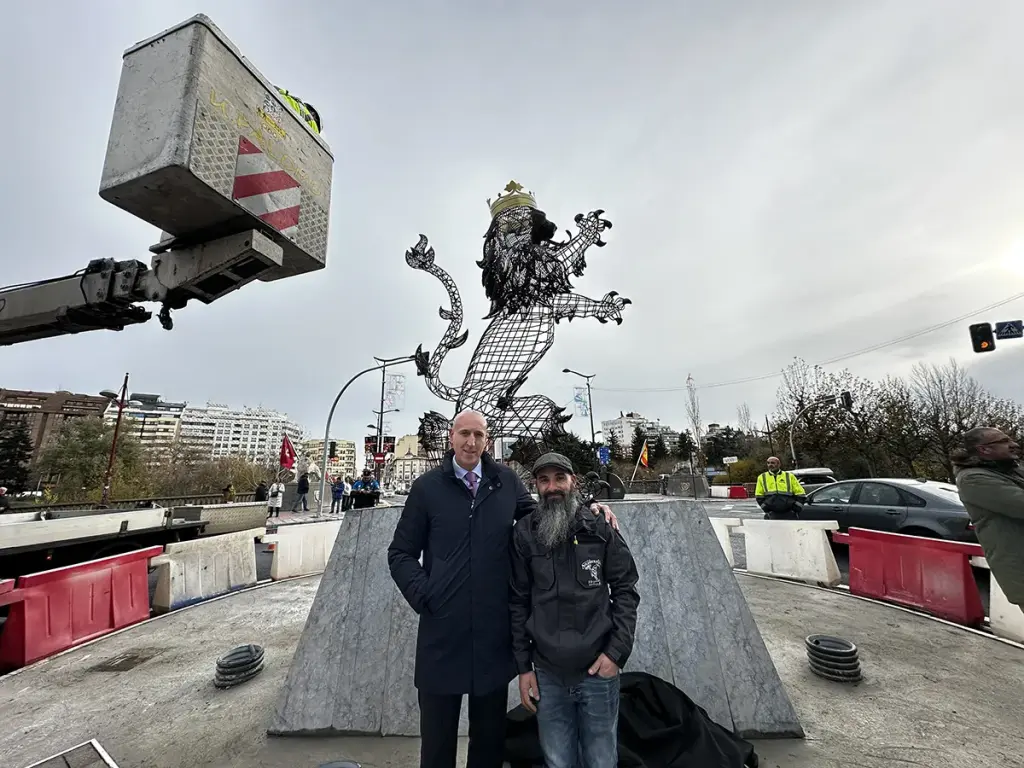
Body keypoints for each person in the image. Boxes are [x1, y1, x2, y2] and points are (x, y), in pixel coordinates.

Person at [387, 409, 617, 768]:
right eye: (464, 433)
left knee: (489, 743)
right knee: (437, 743)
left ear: (487, 441)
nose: (471, 442)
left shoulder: (505, 481)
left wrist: (588, 509)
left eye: (478, 435)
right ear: (451, 437)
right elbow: (400, 553)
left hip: (491, 639)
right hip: (441, 636)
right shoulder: (427, 488)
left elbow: (542, 516)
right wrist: (425, 595)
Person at [510, 453, 639, 768]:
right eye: (544, 480)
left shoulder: (600, 527)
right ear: (535, 486)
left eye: (560, 478)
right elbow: (517, 602)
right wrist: (524, 668)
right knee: (558, 761)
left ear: (574, 482)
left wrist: (615, 654)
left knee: (601, 760)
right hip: (547, 674)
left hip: (597, 671)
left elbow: (626, 590)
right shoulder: (525, 533)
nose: (552, 487)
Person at [954, 427, 1024, 607]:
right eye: (1004, 441)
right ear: (984, 449)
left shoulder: (1011, 469)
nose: (1013, 444)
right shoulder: (973, 479)